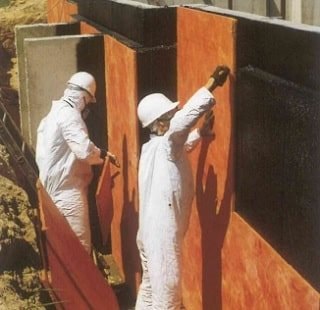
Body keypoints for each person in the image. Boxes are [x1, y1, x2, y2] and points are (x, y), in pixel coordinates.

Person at [135, 65, 230, 309]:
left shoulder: (152, 149)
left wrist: (201, 133)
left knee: (149, 292)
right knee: (168, 298)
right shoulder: (167, 143)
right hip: (161, 237)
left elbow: (180, 145)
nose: (175, 116)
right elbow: (179, 128)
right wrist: (212, 83)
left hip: (148, 234)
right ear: (160, 123)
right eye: (171, 114)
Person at [36, 71, 113, 254]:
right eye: (87, 101)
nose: (87, 106)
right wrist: (102, 156)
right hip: (68, 193)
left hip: (52, 191)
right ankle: (83, 284)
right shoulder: (70, 116)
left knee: (64, 249)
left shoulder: (52, 114)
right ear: (84, 96)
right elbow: (84, 151)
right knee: (80, 250)